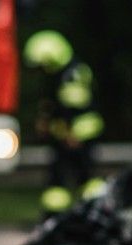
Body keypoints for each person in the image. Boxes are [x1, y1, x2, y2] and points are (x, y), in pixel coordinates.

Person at [23, 30, 106, 214]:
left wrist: (70, 133)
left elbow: (72, 106)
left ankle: (93, 212)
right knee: (62, 179)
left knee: (82, 177)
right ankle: (62, 214)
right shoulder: (64, 74)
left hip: (78, 134)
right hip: (68, 135)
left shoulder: (71, 74)